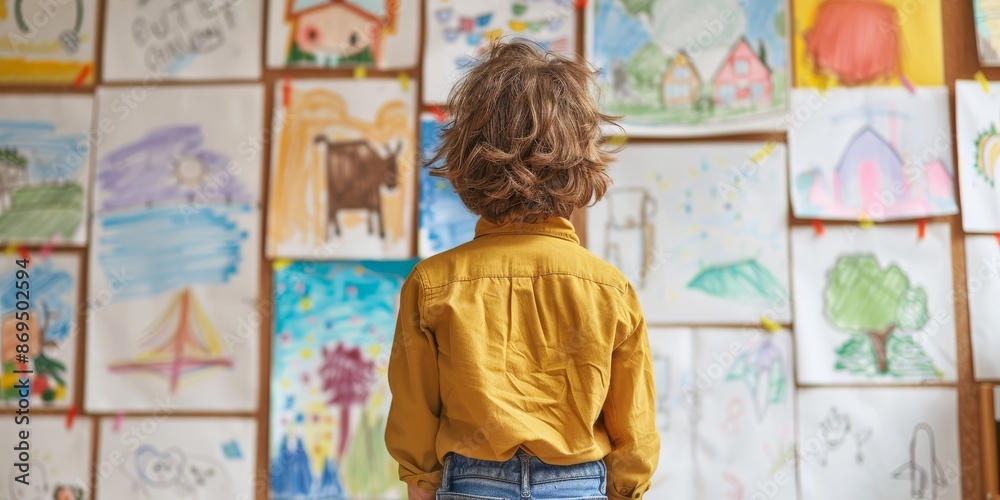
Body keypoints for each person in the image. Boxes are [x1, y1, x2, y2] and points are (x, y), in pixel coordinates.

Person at [385, 39, 659, 500]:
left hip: (473, 483)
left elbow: (415, 414)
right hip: (577, 484)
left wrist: (421, 482)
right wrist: (628, 489)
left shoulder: (431, 284)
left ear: (469, 156)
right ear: (580, 161)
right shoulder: (610, 288)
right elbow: (635, 425)